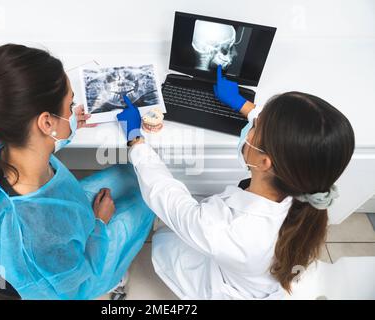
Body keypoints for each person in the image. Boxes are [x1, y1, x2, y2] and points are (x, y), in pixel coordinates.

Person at [116, 65, 355, 299]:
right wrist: (242, 104)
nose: (250, 126)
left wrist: (136, 140)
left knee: (168, 241)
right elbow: (290, 136)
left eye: (255, 127)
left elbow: (167, 197)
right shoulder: (306, 180)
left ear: (265, 162)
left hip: (226, 285)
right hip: (257, 272)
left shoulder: (227, 229)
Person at [0, 44, 154, 300]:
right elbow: (74, 286)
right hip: (79, 275)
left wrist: (66, 125)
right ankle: (114, 280)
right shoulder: (39, 236)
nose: (72, 110)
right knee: (146, 200)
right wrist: (99, 224)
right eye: (70, 104)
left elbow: (31, 134)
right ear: (45, 122)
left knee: (134, 175)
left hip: (67, 211)